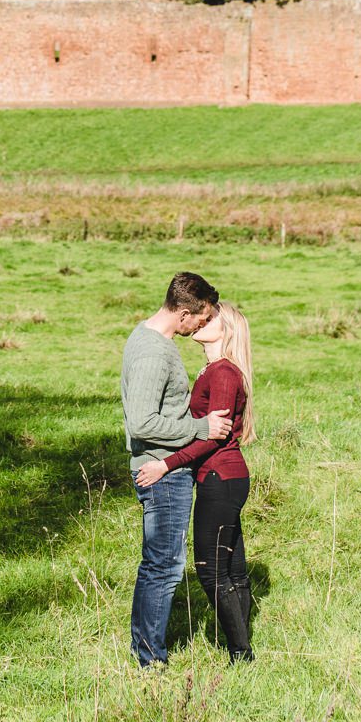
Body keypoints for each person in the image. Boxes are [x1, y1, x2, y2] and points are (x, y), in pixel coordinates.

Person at [121, 271, 232, 668]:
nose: (203, 324)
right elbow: (143, 423)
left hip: (162, 468)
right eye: (201, 317)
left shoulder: (148, 337)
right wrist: (202, 427)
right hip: (163, 474)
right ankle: (150, 659)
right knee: (164, 565)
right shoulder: (154, 352)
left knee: (159, 562)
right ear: (184, 313)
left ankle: (145, 651)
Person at [136, 300, 256, 662]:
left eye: (212, 317)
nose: (203, 320)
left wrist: (165, 465)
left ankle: (240, 653)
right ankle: (242, 647)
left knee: (210, 571)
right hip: (226, 476)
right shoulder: (212, 371)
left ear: (227, 329)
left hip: (219, 476)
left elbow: (212, 437)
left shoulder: (222, 372)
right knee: (233, 570)